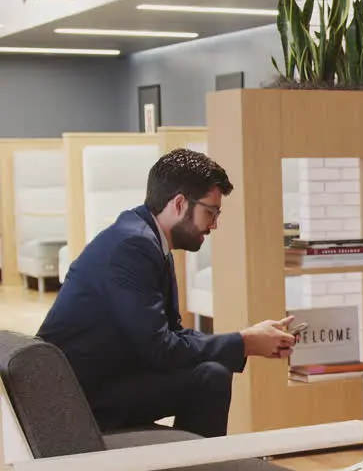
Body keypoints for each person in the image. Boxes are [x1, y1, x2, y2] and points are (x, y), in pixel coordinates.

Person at [37, 149, 298, 438]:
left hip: (103, 379)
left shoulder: (146, 237)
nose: (214, 225)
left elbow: (171, 334)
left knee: (211, 372)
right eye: (209, 212)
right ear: (179, 203)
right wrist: (245, 343)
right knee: (210, 377)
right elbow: (160, 349)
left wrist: (245, 337)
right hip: (79, 397)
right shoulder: (133, 247)